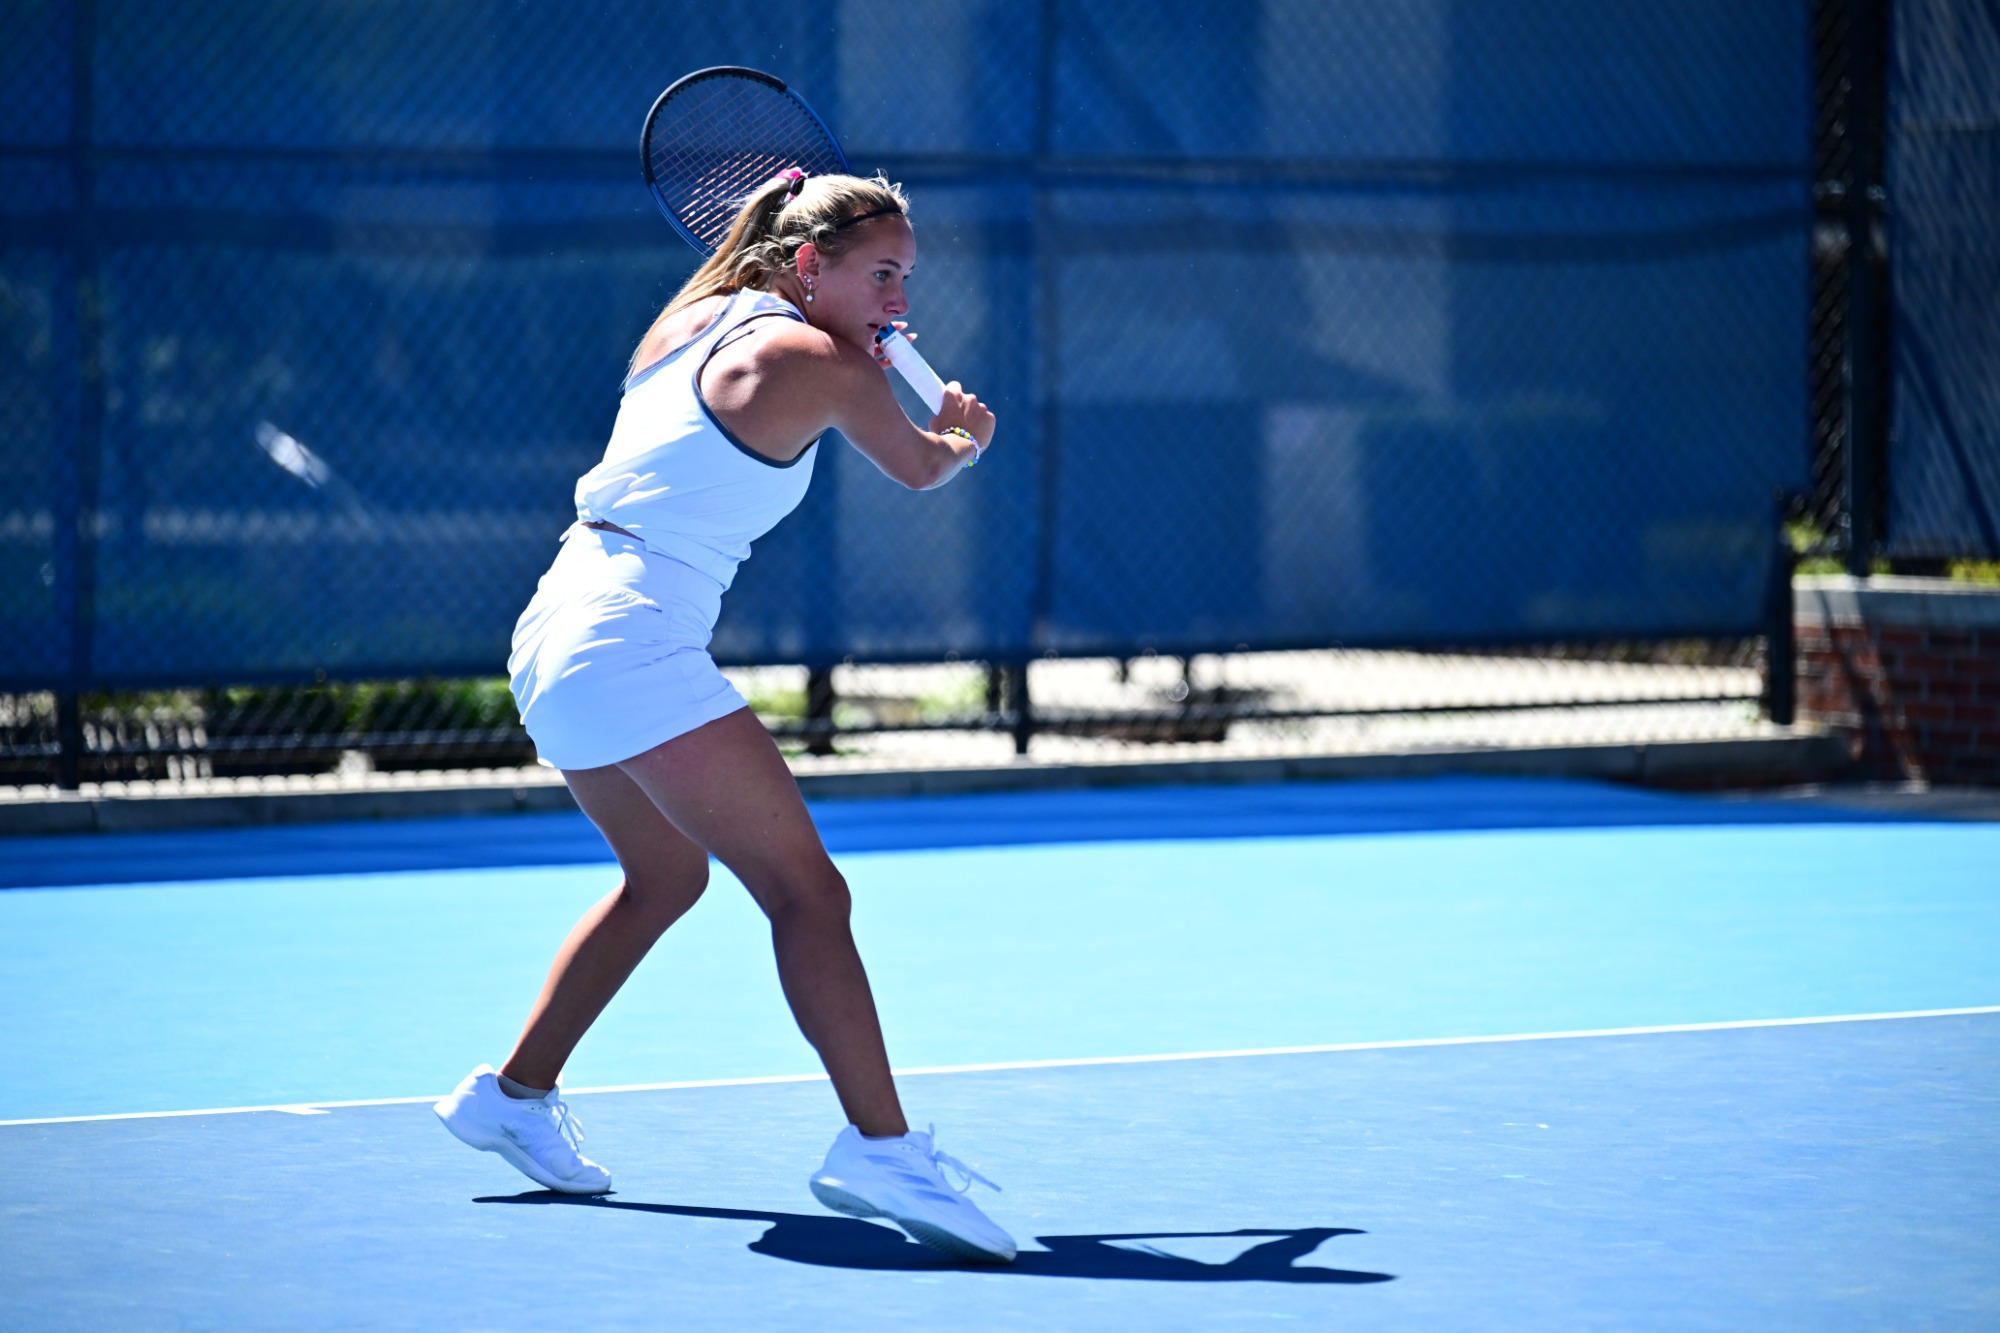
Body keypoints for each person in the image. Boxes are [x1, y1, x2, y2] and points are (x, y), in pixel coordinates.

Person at [433, 170, 1013, 1264]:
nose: (897, 297)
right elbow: (921, 470)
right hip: (627, 636)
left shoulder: (691, 318)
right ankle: (880, 1148)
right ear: (807, 264)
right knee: (807, 890)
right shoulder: (828, 363)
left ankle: (512, 1096)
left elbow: (737, 313)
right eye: (879, 273)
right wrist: (962, 434)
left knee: (667, 877)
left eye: (906, 277)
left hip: (551, 631)